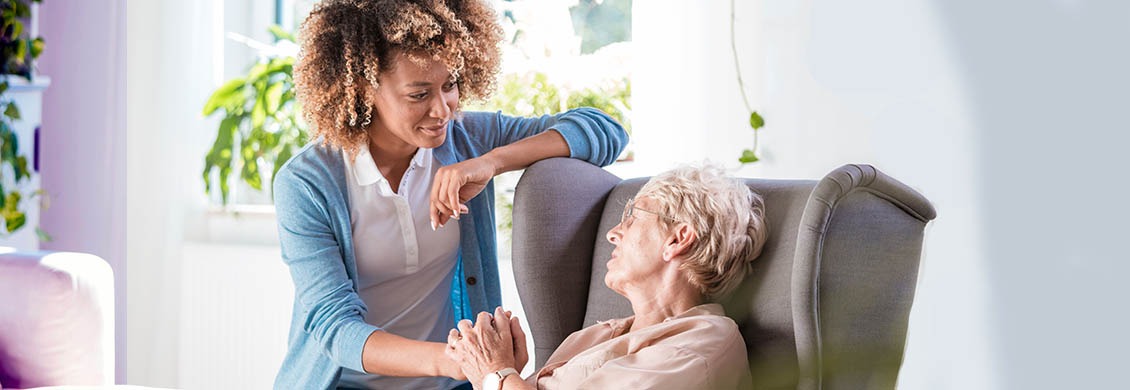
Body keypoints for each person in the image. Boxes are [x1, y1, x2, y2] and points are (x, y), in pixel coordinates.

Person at [272, 0, 628, 388]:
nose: (442, 110)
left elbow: (604, 131)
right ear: (363, 86)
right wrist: (460, 360)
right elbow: (335, 328)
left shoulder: (467, 141)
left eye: (450, 85)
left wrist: (491, 162)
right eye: (419, 94)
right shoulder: (307, 184)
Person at [446, 164, 768, 389]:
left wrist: (495, 373)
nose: (614, 233)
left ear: (678, 239)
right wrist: (497, 368)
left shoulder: (699, 349)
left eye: (632, 217)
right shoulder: (597, 335)